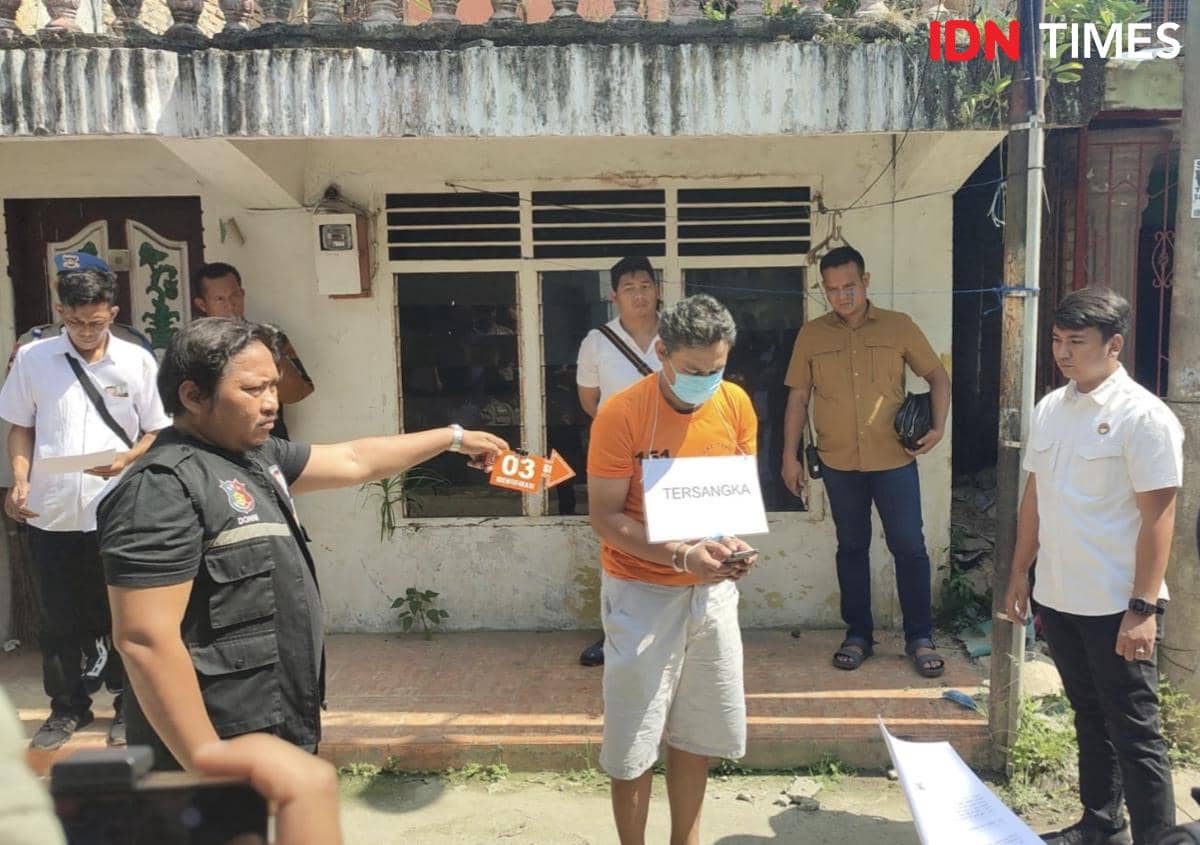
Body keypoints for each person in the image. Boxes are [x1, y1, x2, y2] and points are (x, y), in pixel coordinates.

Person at [98, 318, 507, 771]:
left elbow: (354, 460)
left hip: (273, 722)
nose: (271, 402)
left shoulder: (256, 457)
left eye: (273, 386)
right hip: (216, 745)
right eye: (253, 390)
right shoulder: (162, 488)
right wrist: (205, 758)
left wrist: (453, 439)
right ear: (194, 396)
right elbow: (144, 639)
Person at [1003, 288, 1183, 845]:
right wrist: (1019, 572)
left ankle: (1158, 837)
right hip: (1060, 595)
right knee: (1088, 714)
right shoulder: (1051, 409)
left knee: (1135, 729)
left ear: (1114, 345)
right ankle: (1102, 824)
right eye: (1057, 340)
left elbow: (1159, 517)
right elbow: (1035, 496)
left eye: (1076, 342)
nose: (1063, 352)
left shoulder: (1143, 417)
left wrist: (1143, 608)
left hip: (1116, 603)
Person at [588, 294, 758, 845]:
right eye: (693, 370)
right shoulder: (622, 414)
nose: (706, 382)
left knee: (696, 731)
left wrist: (731, 547)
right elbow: (605, 517)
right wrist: (680, 555)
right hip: (641, 592)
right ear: (662, 352)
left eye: (717, 369)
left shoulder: (735, 405)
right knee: (633, 739)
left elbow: (730, 502)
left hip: (711, 597)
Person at [0, 253, 171, 751]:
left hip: (117, 507)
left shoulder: (136, 361)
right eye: (75, 322)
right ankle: (67, 707)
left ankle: (128, 708)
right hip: (50, 508)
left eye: (96, 322)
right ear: (61, 313)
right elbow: (20, 427)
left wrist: (127, 459)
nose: (86, 331)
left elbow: (158, 430)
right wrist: (19, 480)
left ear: (112, 313)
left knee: (122, 613)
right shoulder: (34, 359)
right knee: (58, 617)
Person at [780, 245, 951, 678]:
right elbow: (798, 398)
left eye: (850, 286)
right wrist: (788, 457)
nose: (843, 295)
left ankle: (920, 638)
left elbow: (937, 377)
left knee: (909, 547)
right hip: (839, 464)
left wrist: (937, 427)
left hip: (894, 460)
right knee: (852, 548)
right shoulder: (812, 336)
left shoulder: (898, 326)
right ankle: (858, 635)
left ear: (866, 281)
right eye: (833, 289)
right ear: (824, 289)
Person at [574, 255, 663, 667]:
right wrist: (622, 435)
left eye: (645, 286)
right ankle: (615, 632)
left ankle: (673, 629)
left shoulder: (678, 334)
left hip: (672, 454)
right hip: (619, 459)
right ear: (614, 296)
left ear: (657, 289)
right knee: (618, 538)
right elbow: (588, 400)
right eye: (629, 289)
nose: (639, 295)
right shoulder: (597, 341)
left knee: (674, 535)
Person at [191, 262, 314, 440]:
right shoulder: (192, 346)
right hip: (215, 445)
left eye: (235, 295)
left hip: (269, 442)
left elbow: (299, 393)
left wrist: (267, 350)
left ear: (243, 294)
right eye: (219, 299)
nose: (230, 305)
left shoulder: (271, 337)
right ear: (202, 304)